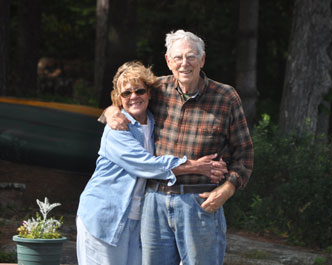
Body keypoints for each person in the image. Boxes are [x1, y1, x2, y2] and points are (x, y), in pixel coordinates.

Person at [104, 30, 254, 265]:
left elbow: (244, 154)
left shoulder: (226, 97)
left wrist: (226, 190)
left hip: (200, 202)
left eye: (191, 56)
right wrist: (110, 111)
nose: (185, 63)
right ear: (168, 61)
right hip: (154, 202)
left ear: (202, 60)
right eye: (178, 57)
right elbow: (126, 100)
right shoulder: (157, 90)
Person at [76, 61, 227, 265]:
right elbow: (148, 165)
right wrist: (197, 167)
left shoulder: (154, 120)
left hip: (135, 219)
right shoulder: (117, 129)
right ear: (118, 98)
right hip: (106, 216)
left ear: (149, 93)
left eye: (139, 90)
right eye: (126, 94)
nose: (133, 97)